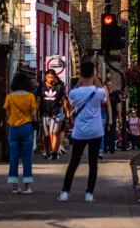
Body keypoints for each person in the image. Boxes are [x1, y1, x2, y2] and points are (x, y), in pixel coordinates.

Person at [58, 61, 110, 203]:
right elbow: (104, 96)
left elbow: (71, 101)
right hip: (95, 131)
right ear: (93, 73)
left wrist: (80, 81)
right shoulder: (99, 92)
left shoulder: (74, 92)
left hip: (80, 132)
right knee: (93, 164)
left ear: (81, 75)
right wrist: (96, 79)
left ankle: (65, 192)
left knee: (74, 162)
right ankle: (89, 194)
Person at [4, 72, 37, 194]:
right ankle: (26, 186)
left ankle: (14, 185)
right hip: (26, 127)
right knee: (27, 157)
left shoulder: (9, 97)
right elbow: (33, 113)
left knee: (13, 157)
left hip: (13, 128)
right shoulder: (30, 96)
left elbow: (7, 113)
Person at [38, 69, 69, 160]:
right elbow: (38, 101)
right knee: (46, 135)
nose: (51, 79)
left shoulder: (59, 87)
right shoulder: (41, 88)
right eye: (49, 77)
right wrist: (36, 112)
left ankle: (54, 151)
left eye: (52, 77)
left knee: (54, 133)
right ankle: (47, 151)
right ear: (45, 78)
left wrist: (67, 112)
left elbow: (64, 101)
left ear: (55, 77)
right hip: (44, 113)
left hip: (55, 113)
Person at [104, 79, 122, 154]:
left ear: (112, 85)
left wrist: (119, 116)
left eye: (110, 84)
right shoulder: (103, 94)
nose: (109, 86)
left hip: (113, 114)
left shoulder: (115, 94)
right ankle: (105, 147)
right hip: (104, 114)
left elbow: (118, 106)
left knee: (112, 131)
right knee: (104, 131)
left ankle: (111, 148)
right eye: (107, 84)